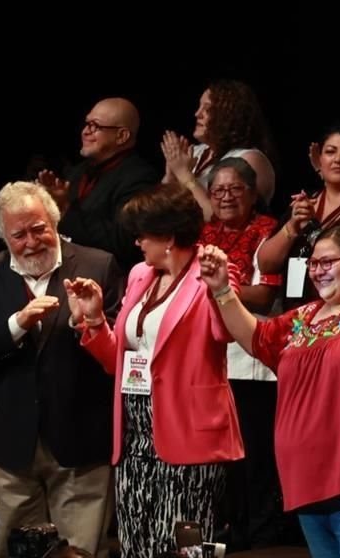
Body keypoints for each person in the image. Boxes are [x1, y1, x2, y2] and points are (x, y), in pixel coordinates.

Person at [197, 224, 340, 558]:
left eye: (328, 262)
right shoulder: (303, 317)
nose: (318, 271)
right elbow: (256, 339)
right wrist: (222, 291)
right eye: (313, 263)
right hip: (308, 483)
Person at [65, 184, 244, 558]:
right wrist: (96, 321)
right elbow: (121, 362)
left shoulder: (212, 275)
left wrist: (221, 288)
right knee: (135, 546)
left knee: (182, 549)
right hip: (135, 437)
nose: (137, 242)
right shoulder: (139, 275)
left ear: (169, 236)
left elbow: (226, 331)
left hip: (187, 434)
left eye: (143, 233)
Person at [0, 182, 122, 555]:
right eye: (19, 234)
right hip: (11, 444)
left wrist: (86, 324)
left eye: (39, 228)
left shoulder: (98, 264)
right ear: (3, 235)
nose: (31, 241)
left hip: (80, 438)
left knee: (79, 551)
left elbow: (121, 353)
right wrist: (16, 325)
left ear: (54, 221)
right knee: (13, 548)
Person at [199, 158, 283, 548]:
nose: (226, 197)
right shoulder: (203, 232)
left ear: (253, 194)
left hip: (254, 360)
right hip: (215, 358)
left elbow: (265, 295)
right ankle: (230, 528)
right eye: (218, 190)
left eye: (235, 189)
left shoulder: (268, 232)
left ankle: (263, 533)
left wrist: (215, 290)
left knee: (256, 454)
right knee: (223, 457)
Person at [257, 124, 340, 310]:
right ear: (320, 159)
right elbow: (266, 264)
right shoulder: (303, 203)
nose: (338, 160)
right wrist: (292, 227)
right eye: (330, 152)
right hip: (296, 314)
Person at [37, 97, 159, 268]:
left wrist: (66, 208)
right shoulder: (77, 172)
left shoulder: (140, 179)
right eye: (86, 124)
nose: (85, 132)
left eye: (95, 126)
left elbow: (122, 243)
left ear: (121, 136)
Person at [161, 79, 277, 219]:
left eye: (208, 109)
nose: (197, 114)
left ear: (230, 115)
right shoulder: (195, 152)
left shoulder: (249, 158)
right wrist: (170, 177)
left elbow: (219, 219)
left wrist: (183, 173)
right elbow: (158, 211)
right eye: (199, 107)